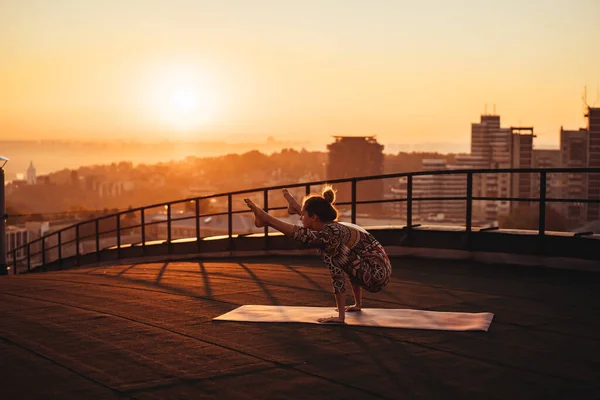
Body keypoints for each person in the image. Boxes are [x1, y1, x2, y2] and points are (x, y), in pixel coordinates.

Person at [244, 185, 392, 324]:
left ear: (314, 217)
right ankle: (293, 208)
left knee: (325, 246)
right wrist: (357, 304)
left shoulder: (331, 236)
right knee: (327, 244)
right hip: (377, 268)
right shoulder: (333, 228)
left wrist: (341, 317)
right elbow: (356, 261)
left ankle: (268, 219)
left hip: (376, 276)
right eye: (300, 214)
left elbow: (338, 274)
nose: (301, 219)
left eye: (303, 214)